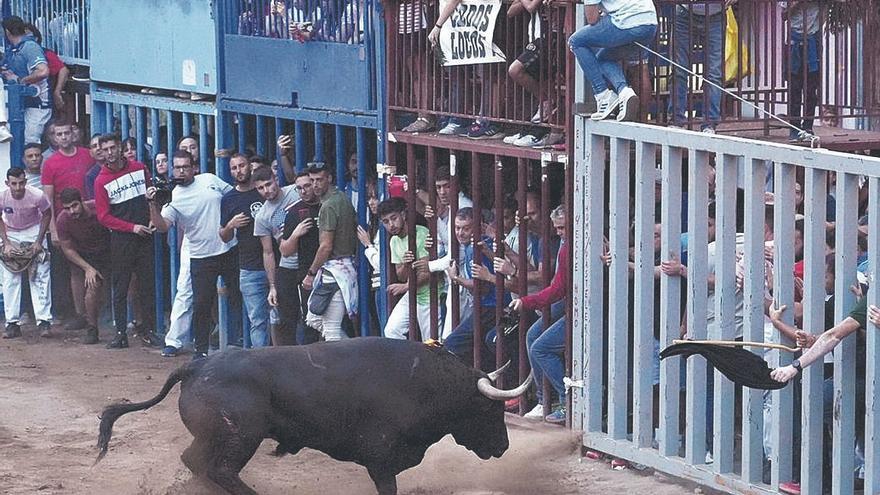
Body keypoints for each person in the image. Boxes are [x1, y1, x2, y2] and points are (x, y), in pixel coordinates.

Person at [148, 150, 240, 360]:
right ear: (172, 169)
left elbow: (232, 196)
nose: (181, 171)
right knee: (201, 304)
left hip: (228, 248)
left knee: (236, 297)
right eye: (177, 167)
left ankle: (236, 343)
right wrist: (152, 203)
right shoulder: (173, 196)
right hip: (200, 255)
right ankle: (201, 350)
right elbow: (162, 227)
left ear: (194, 168)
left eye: (185, 167)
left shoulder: (209, 179)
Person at [93, 134, 162, 349]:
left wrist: (153, 217)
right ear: (101, 153)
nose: (110, 153)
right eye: (105, 149)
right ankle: (120, 332)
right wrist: (131, 227)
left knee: (146, 285)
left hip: (145, 236)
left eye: (113, 148)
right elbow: (103, 216)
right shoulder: (101, 180)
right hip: (122, 239)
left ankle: (147, 329)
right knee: (120, 286)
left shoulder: (140, 168)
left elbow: (152, 196)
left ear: (121, 149)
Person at [509, 205, 568, 424]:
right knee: (532, 335)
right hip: (568, 301)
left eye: (562, 227)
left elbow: (558, 289)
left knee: (541, 348)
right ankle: (545, 399)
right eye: (557, 228)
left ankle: (566, 399)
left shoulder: (568, 247)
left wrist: (526, 302)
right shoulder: (564, 244)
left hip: (580, 305)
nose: (559, 232)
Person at [41, 121, 96, 330]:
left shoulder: (87, 155)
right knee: (74, 269)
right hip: (66, 222)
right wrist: (53, 229)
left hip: (90, 218)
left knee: (99, 265)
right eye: (59, 134)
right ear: (54, 138)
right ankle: (80, 314)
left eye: (66, 133)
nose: (63, 137)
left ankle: (97, 312)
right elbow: (48, 199)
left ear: (73, 134)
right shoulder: (51, 163)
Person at [567, 0, 657, 122]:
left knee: (575, 41)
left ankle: (603, 95)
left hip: (627, 21)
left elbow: (592, 19)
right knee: (605, 58)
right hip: (650, 22)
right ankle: (624, 92)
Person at [301, 162, 358, 342]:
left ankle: (350, 361)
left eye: (319, 180)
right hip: (344, 267)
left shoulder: (328, 206)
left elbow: (325, 246)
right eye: (312, 180)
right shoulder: (341, 197)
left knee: (331, 330)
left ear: (329, 179)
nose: (315, 185)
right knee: (313, 319)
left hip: (334, 270)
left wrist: (311, 273)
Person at [219, 153, 269, 348]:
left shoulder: (262, 191)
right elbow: (224, 236)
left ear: (250, 166)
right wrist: (230, 225)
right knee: (257, 320)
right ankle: (261, 367)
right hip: (249, 267)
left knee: (281, 317)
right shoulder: (229, 199)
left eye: (241, 166)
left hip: (278, 263)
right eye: (234, 168)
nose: (238, 171)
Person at [0, 168, 52, 339]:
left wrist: (38, 241)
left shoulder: (36, 195)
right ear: (8, 183)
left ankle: (44, 321)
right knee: (10, 277)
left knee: (39, 274)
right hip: (12, 231)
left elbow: (46, 214)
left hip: (33, 229)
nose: (18, 187)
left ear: (25, 181)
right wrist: (6, 242)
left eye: (21, 182)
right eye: (14, 183)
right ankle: (12, 323)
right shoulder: (3, 196)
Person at [252, 166, 300, 345]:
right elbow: (268, 252)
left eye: (268, 184)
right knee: (287, 318)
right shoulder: (262, 216)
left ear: (276, 180)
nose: (266, 190)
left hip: (312, 260)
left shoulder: (295, 191)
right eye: (260, 188)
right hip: (288, 264)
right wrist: (272, 285)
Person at [56, 188, 110, 344]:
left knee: (130, 282)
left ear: (81, 201)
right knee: (91, 288)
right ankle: (92, 328)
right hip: (87, 256)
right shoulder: (62, 220)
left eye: (74, 206)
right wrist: (88, 268)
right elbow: (67, 249)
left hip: (109, 249)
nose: (72, 211)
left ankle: (139, 325)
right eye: (67, 208)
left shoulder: (97, 207)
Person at [668, 0, 730, 133]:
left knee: (714, 73)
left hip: (714, 14)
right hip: (686, 12)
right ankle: (677, 120)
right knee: (679, 69)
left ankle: (709, 123)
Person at [378, 197, 433, 340]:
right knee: (391, 331)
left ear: (403, 215)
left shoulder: (421, 234)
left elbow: (428, 272)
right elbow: (401, 275)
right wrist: (405, 264)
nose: (391, 225)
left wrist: (406, 286)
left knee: (432, 343)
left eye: (393, 218)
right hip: (413, 294)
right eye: (385, 222)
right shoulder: (394, 241)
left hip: (430, 295)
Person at [280, 171, 323, 344]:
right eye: (299, 188)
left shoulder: (328, 204)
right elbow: (285, 250)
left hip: (333, 268)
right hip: (306, 273)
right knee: (310, 321)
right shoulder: (294, 212)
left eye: (307, 185)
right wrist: (295, 235)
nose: (304, 191)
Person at [1, 16, 51, 144]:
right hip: (21, 103)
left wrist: (21, 80)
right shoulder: (13, 49)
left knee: (30, 143)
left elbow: (43, 71)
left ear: (7, 31)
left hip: (38, 104)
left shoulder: (29, 46)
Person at [785, 0, 822, 141]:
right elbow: (784, 15)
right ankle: (794, 128)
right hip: (794, 39)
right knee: (795, 87)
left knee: (811, 89)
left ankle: (807, 127)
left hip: (813, 38)